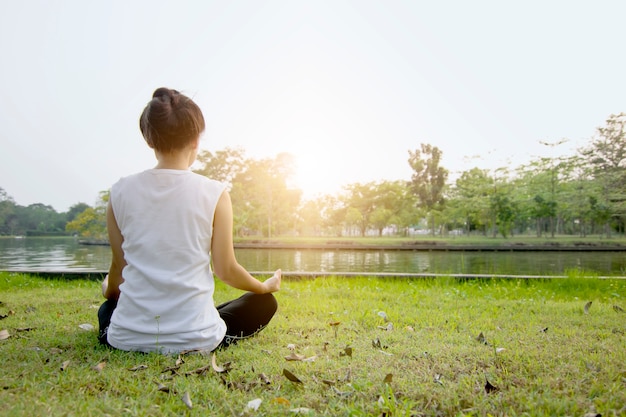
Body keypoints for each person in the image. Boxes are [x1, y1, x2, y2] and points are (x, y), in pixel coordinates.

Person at [97, 87, 281, 354]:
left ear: (149, 140)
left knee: (108, 307)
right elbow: (226, 269)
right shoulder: (215, 193)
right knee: (265, 303)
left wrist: (107, 287)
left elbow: (118, 274)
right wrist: (264, 286)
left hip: (127, 338)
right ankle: (194, 328)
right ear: (196, 139)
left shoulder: (119, 192)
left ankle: (176, 327)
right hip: (196, 341)